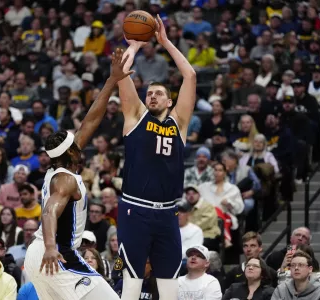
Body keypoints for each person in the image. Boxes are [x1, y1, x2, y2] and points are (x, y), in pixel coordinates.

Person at [24, 49, 133, 299]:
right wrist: (51, 248)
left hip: (41, 254)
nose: (80, 140)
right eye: (76, 143)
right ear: (72, 152)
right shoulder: (65, 179)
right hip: (55, 254)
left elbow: (90, 121)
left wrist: (112, 80)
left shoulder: (61, 164)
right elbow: (50, 209)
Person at [116, 15, 196, 300]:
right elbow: (121, 75)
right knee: (132, 283)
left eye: (158, 93)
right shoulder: (135, 117)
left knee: (169, 285)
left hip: (167, 213)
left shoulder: (179, 124)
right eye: (149, 93)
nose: (152, 96)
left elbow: (190, 76)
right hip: (134, 210)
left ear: (170, 101)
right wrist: (135, 47)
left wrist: (165, 42)